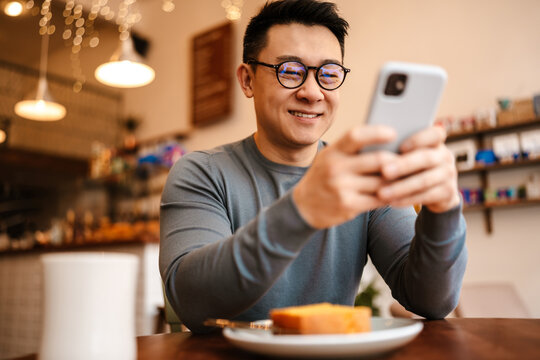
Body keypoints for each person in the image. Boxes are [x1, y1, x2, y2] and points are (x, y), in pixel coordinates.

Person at [159, 0, 467, 333]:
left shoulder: (364, 177)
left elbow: (430, 301)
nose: (312, 92)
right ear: (247, 80)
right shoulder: (200, 174)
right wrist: (301, 209)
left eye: (329, 74)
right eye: (290, 71)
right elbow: (191, 302)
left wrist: (444, 210)